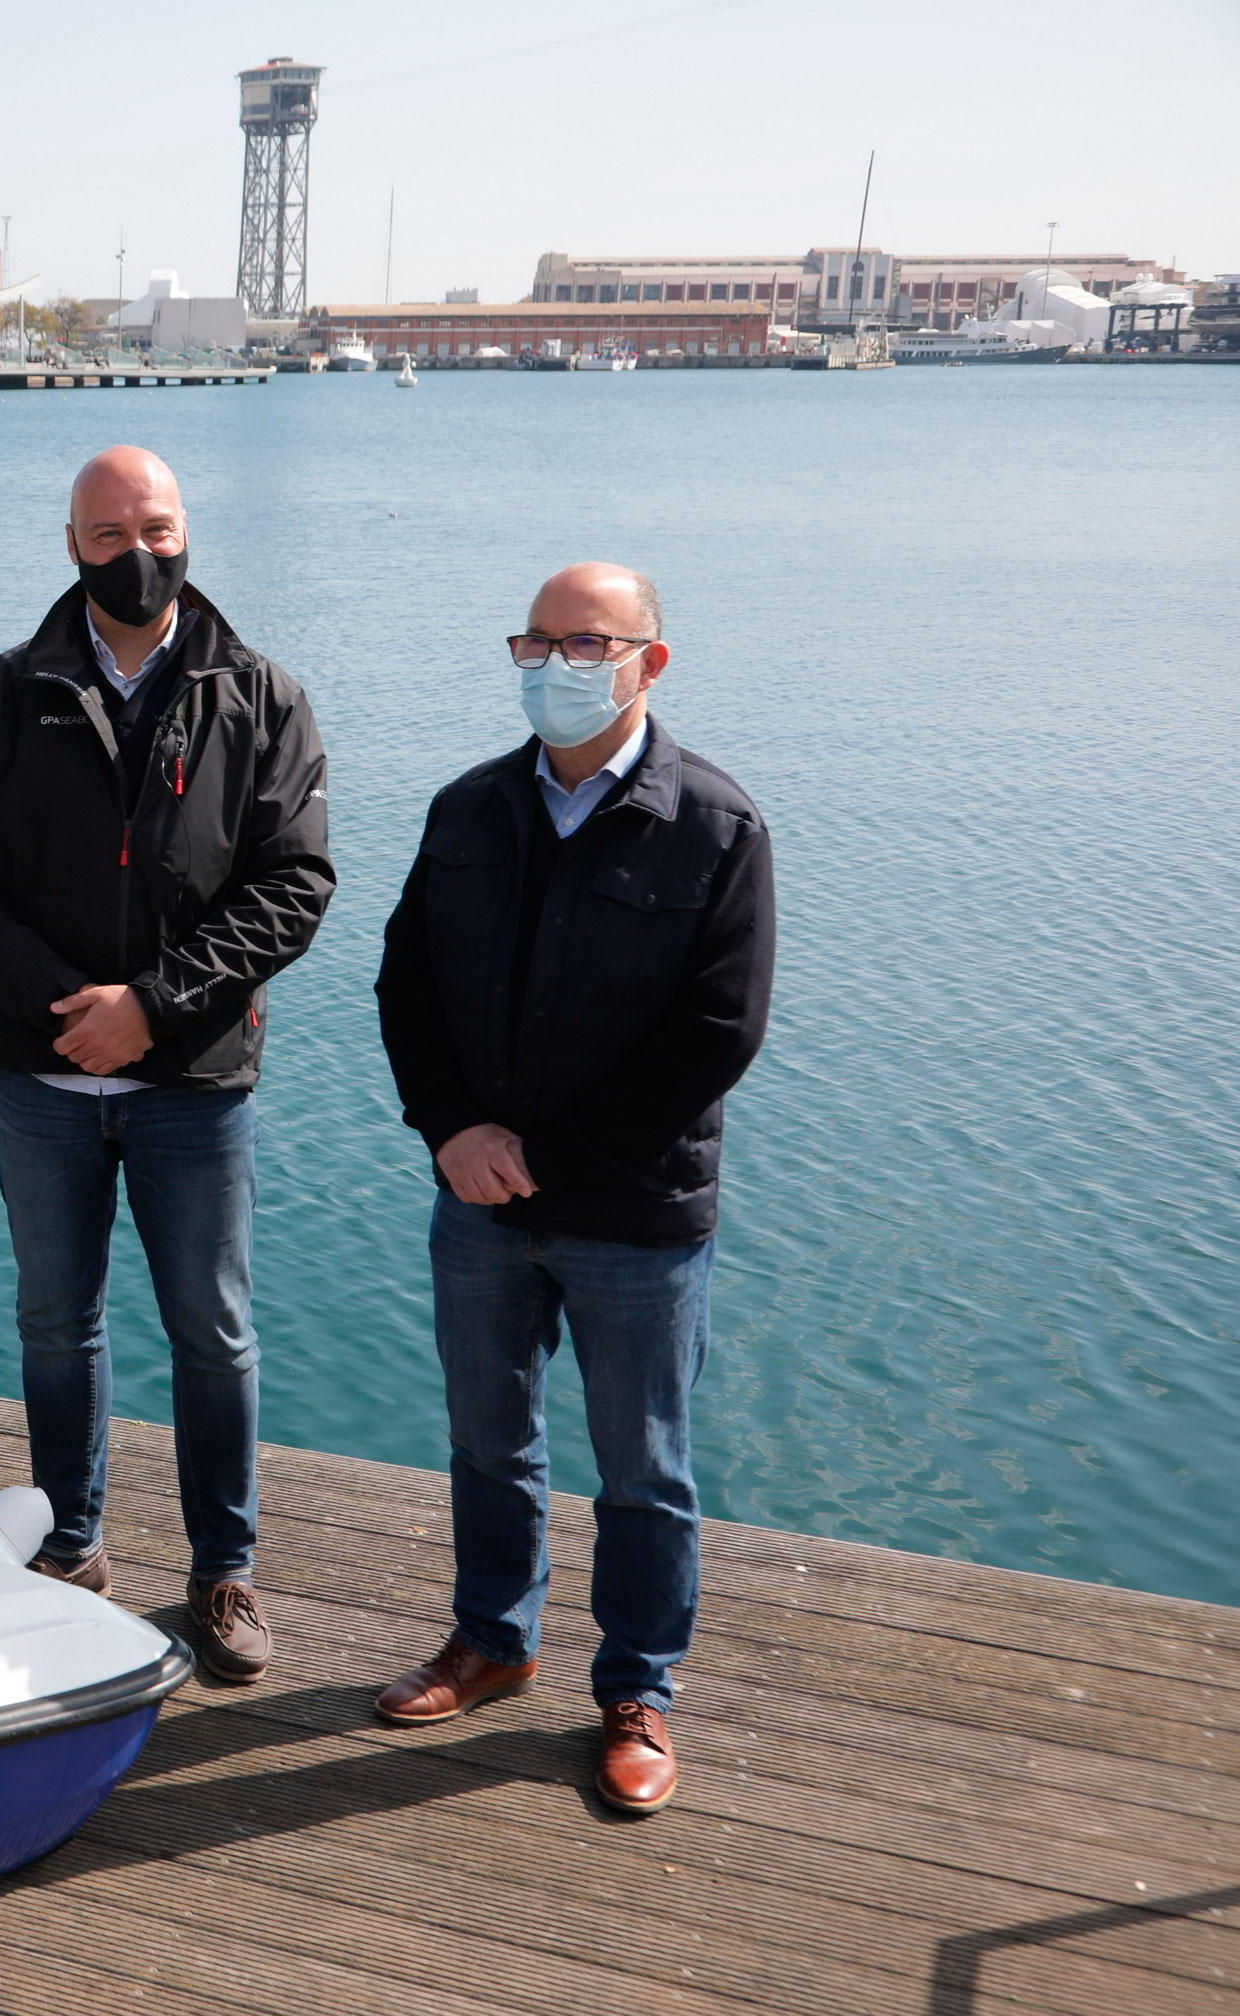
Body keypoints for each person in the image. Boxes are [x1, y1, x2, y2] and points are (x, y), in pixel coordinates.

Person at [0, 445, 333, 1682]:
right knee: (56, 1322)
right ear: (71, 545)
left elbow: (293, 884)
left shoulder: (262, 696)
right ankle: (73, 1543)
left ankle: (225, 1569)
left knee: (214, 1330)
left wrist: (151, 1007)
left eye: (155, 530)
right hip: (43, 1078)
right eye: (108, 535)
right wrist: (67, 1009)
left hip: (192, 1082)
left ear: (186, 531)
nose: (136, 554)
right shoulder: (0, 695)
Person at [371, 561, 775, 1816]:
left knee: (644, 1466)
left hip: (636, 1214)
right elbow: (406, 981)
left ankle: (638, 1689)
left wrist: (544, 1156)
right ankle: (494, 1639)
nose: (556, 665)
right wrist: (450, 1129)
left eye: (587, 643)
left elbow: (717, 1033)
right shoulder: (467, 809)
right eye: (536, 643)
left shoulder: (716, 825)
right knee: (488, 1441)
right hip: (478, 1202)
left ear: (651, 660)